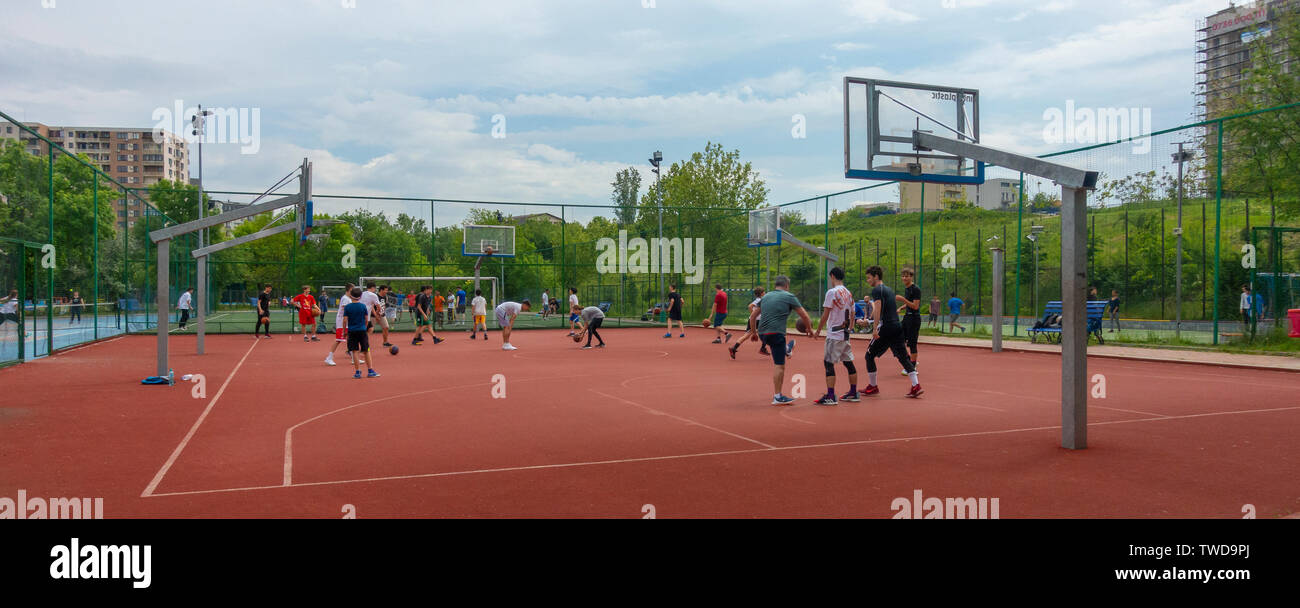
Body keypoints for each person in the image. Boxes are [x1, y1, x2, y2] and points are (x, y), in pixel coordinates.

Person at [749, 276, 813, 405]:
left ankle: (787, 349)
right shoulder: (789, 296)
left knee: (776, 346)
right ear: (787, 285)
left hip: (763, 334)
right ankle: (778, 396)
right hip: (776, 333)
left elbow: (753, 316)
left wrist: (754, 333)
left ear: (776, 285)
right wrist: (810, 330)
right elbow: (804, 315)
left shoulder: (765, 297)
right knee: (779, 365)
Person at [863, 266, 922, 398]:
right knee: (903, 357)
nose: (868, 280)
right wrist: (870, 322)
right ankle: (916, 385)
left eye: (869, 278)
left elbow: (877, 309)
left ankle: (873, 386)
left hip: (887, 328)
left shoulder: (877, 290)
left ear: (876, 276)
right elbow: (888, 311)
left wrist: (874, 328)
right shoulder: (888, 289)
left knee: (869, 355)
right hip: (897, 326)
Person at [812, 267, 859, 405]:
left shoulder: (832, 292)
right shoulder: (848, 293)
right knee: (848, 362)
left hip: (834, 333)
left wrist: (818, 331)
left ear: (832, 276)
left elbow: (826, 313)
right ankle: (853, 392)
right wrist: (850, 328)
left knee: (828, 363)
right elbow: (852, 313)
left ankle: (831, 395)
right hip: (845, 334)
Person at [341, 286, 379, 379]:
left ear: (351, 295)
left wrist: (344, 331)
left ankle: (357, 372)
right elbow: (367, 319)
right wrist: (364, 328)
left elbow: (345, 320)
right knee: (366, 350)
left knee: (355, 351)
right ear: (360, 296)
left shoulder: (348, 307)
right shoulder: (363, 306)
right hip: (362, 330)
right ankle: (370, 370)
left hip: (352, 331)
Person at [728, 287, 769, 359]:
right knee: (767, 333)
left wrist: (753, 315)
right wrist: (754, 315)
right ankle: (763, 348)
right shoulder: (761, 300)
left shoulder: (758, 299)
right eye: (764, 292)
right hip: (758, 320)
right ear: (762, 293)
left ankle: (734, 348)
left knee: (746, 336)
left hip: (753, 320)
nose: (765, 293)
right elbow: (750, 306)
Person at [896, 268, 922, 375]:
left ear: (911, 277)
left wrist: (903, 299)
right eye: (903, 276)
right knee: (898, 338)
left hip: (914, 319)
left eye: (907, 276)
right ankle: (910, 361)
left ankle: (912, 367)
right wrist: (901, 308)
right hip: (907, 318)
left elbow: (915, 306)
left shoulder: (916, 289)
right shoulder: (907, 288)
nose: (904, 278)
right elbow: (909, 303)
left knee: (912, 344)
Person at [325, 283, 355, 366]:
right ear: (350, 289)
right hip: (342, 322)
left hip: (346, 322)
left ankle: (354, 358)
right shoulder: (345, 299)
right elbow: (346, 311)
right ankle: (329, 358)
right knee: (338, 340)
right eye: (353, 288)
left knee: (351, 339)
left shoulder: (348, 298)